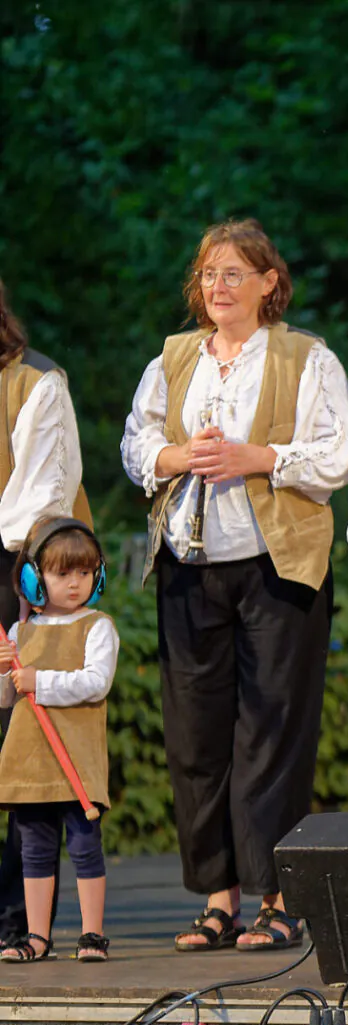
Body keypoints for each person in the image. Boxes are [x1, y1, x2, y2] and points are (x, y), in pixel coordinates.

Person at [120, 219, 348, 952]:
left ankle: (276, 899)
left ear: (268, 284)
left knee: (271, 733)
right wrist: (172, 456)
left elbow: (335, 456)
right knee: (196, 737)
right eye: (208, 274)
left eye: (233, 273)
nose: (218, 286)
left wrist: (260, 456)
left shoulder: (305, 356)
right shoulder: (172, 359)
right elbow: (134, 444)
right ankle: (217, 897)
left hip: (274, 567)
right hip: (189, 567)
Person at [0, 278, 89, 948]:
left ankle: (13, 918)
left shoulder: (35, 385)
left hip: (16, 575)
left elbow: (38, 505)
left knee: (14, 753)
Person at [0, 519, 117, 963]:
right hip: (31, 763)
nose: (75, 583)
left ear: (98, 576)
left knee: (85, 847)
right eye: (62, 574)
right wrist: (4, 673)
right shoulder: (21, 633)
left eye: (85, 573)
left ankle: (92, 935)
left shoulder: (98, 627)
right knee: (35, 852)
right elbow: (8, 698)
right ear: (33, 579)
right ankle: (36, 936)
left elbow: (95, 682)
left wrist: (37, 678)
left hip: (77, 761)